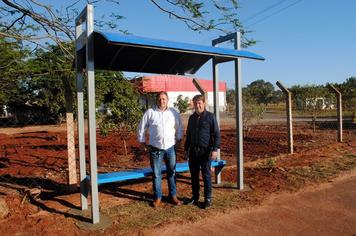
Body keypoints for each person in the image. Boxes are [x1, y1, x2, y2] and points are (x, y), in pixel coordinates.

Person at [137, 91, 183, 207]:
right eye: (160, 99)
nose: (162, 101)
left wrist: (179, 140)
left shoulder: (174, 112)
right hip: (155, 148)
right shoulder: (150, 112)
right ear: (156, 100)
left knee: (171, 172)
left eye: (164, 99)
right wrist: (142, 142)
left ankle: (173, 196)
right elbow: (141, 128)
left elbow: (179, 127)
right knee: (157, 174)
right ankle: (158, 197)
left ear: (167, 100)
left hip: (170, 148)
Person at [184, 94, 220, 209]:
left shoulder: (210, 117)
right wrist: (186, 149)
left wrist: (215, 149)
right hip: (193, 152)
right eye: (195, 103)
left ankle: (208, 198)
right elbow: (188, 135)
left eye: (199, 103)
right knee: (194, 176)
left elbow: (217, 134)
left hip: (205, 152)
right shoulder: (192, 118)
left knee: (206, 176)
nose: (197, 105)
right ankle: (195, 197)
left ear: (204, 104)